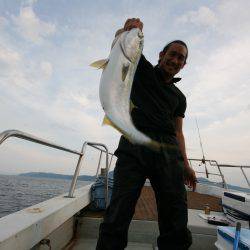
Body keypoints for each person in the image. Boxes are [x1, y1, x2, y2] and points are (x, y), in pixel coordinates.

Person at [96, 18, 197, 250]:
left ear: (184, 65)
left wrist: (186, 164)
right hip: (134, 145)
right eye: (172, 54)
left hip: (167, 151)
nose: (175, 60)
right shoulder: (140, 69)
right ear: (161, 55)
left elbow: (179, 133)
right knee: (119, 209)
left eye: (181, 58)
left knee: (175, 212)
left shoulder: (180, 97)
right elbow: (121, 44)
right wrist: (129, 28)